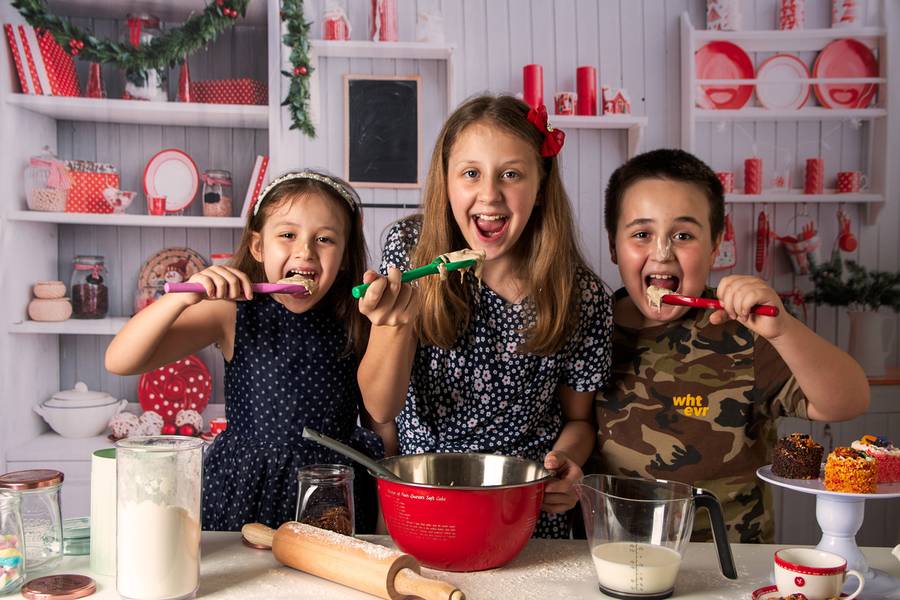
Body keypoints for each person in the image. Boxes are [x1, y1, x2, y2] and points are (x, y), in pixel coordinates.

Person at [356, 94, 613, 538]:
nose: (489, 194)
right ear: (447, 182)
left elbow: (578, 421)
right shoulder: (411, 250)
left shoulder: (580, 295)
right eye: (471, 173)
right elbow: (380, 407)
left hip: (524, 513)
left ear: (540, 187)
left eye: (511, 174)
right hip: (423, 499)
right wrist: (391, 324)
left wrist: (568, 463)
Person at [596, 148, 870, 543]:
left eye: (684, 235)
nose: (662, 252)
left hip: (731, 566)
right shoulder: (587, 330)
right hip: (611, 558)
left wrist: (784, 330)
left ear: (714, 246)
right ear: (613, 246)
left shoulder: (743, 330)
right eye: (641, 234)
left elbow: (849, 401)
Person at [105, 170, 385, 532]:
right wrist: (182, 297)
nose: (305, 251)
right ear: (258, 246)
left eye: (325, 239)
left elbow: (381, 423)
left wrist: (384, 519)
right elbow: (120, 360)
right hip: (244, 488)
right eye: (287, 234)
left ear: (345, 255)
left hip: (334, 490)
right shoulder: (232, 311)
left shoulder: (360, 315)